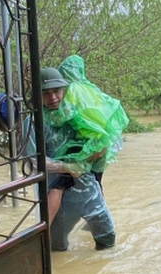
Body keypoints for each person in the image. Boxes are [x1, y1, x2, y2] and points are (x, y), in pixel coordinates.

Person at [23, 66, 116, 251]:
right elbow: (32, 162)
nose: (53, 98)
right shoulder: (33, 122)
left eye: (57, 91)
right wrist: (67, 168)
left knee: (107, 238)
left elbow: (100, 141)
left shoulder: (76, 114)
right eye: (46, 93)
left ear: (64, 90)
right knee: (57, 247)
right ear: (38, 95)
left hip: (87, 185)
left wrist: (94, 155)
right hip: (56, 192)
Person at [44, 55, 129, 222]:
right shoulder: (92, 88)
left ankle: (43, 229)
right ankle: (102, 220)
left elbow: (62, 117)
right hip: (103, 144)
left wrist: (47, 115)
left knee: (58, 184)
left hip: (87, 144)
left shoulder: (73, 90)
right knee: (96, 182)